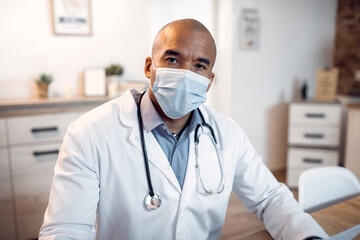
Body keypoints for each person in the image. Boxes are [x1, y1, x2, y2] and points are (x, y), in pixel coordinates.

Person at [39, 19, 328, 240]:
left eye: (199, 65)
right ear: (149, 67)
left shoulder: (227, 133)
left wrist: (308, 236)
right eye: (173, 60)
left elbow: (270, 198)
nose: (186, 74)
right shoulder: (90, 132)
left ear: (209, 80)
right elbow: (67, 228)